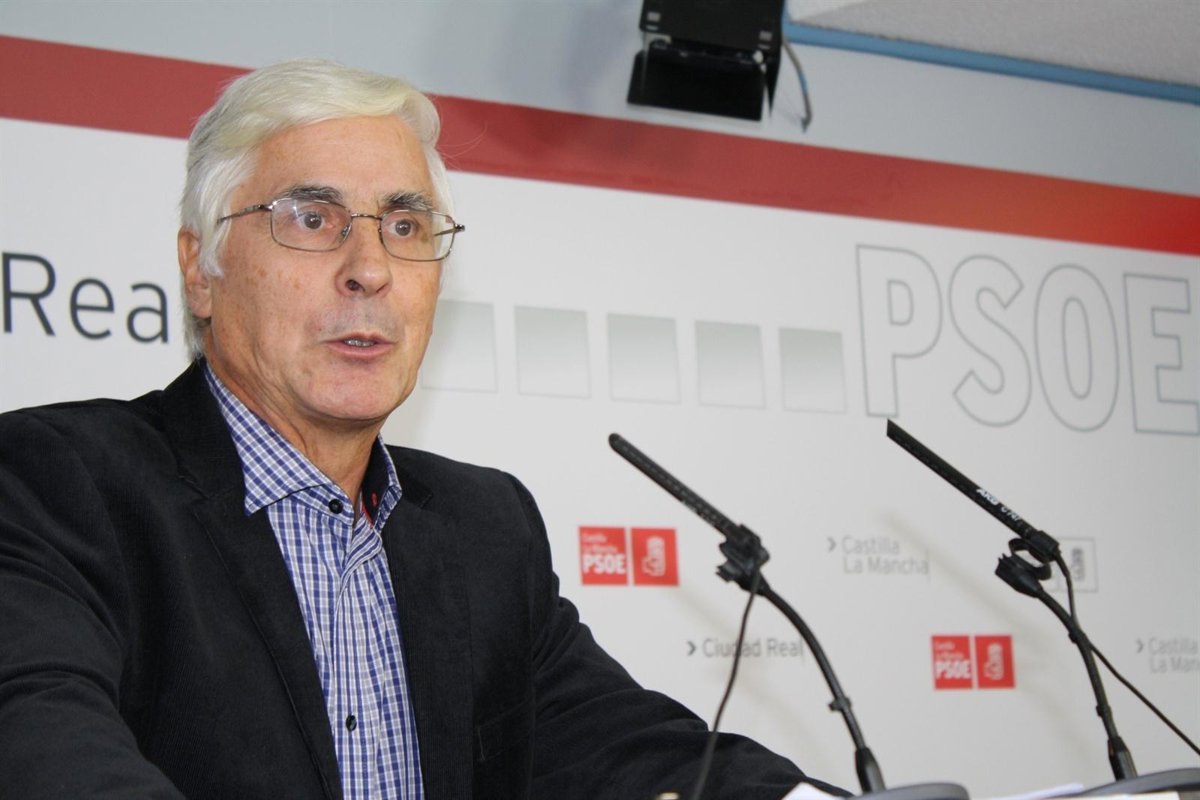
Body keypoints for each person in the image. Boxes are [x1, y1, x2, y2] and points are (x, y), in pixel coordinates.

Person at [0, 59, 841, 800]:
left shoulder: (486, 529)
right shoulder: (53, 486)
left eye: (404, 226)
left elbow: (618, 744)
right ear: (201, 269)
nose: (370, 269)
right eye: (312, 218)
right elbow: (50, 758)